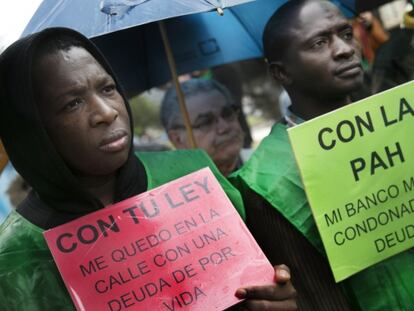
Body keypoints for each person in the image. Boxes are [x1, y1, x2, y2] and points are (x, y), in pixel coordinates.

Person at [0, 27, 297, 310]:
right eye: (73, 103)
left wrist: (277, 296)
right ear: (30, 130)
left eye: (108, 88)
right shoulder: (14, 257)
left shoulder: (192, 172)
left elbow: (265, 275)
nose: (107, 112)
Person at [230, 1, 414, 310]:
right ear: (281, 73)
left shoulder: (398, 123)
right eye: (319, 42)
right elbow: (313, 295)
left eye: (345, 33)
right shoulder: (265, 182)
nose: (345, 49)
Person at [161, 78, 248, 177]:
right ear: (177, 140)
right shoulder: (174, 190)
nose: (224, 127)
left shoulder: (263, 164)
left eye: (227, 113)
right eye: (206, 122)